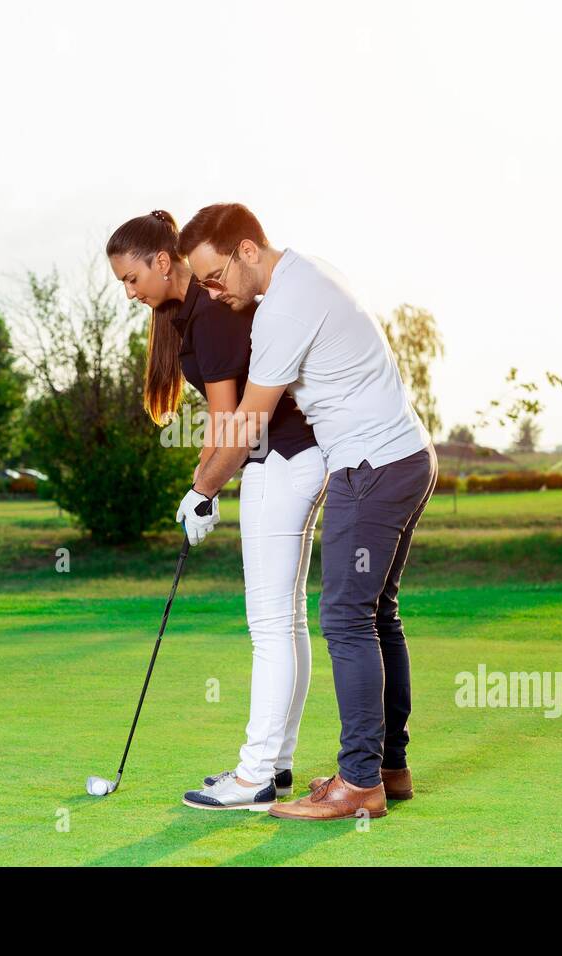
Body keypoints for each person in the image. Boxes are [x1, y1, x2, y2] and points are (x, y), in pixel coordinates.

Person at [175, 203, 437, 821]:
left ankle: (358, 785)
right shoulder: (308, 275)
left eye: (214, 276)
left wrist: (201, 488)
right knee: (378, 615)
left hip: (370, 466)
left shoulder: (282, 309)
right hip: (405, 455)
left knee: (345, 617)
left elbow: (244, 426)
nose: (211, 292)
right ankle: (385, 769)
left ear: (245, 250)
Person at [107, 210, 326, 811]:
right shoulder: (188, 314)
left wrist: (205, 489)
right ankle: (275, 768)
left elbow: (233, 423)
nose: (130, 293)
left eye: (131, 279)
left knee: (271, 624)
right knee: (286, 619)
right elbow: (217, 421)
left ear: (161, 261)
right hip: (281, 461)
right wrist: (202, 481)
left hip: (280, 460)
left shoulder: (213, 313)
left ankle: (255, 774)